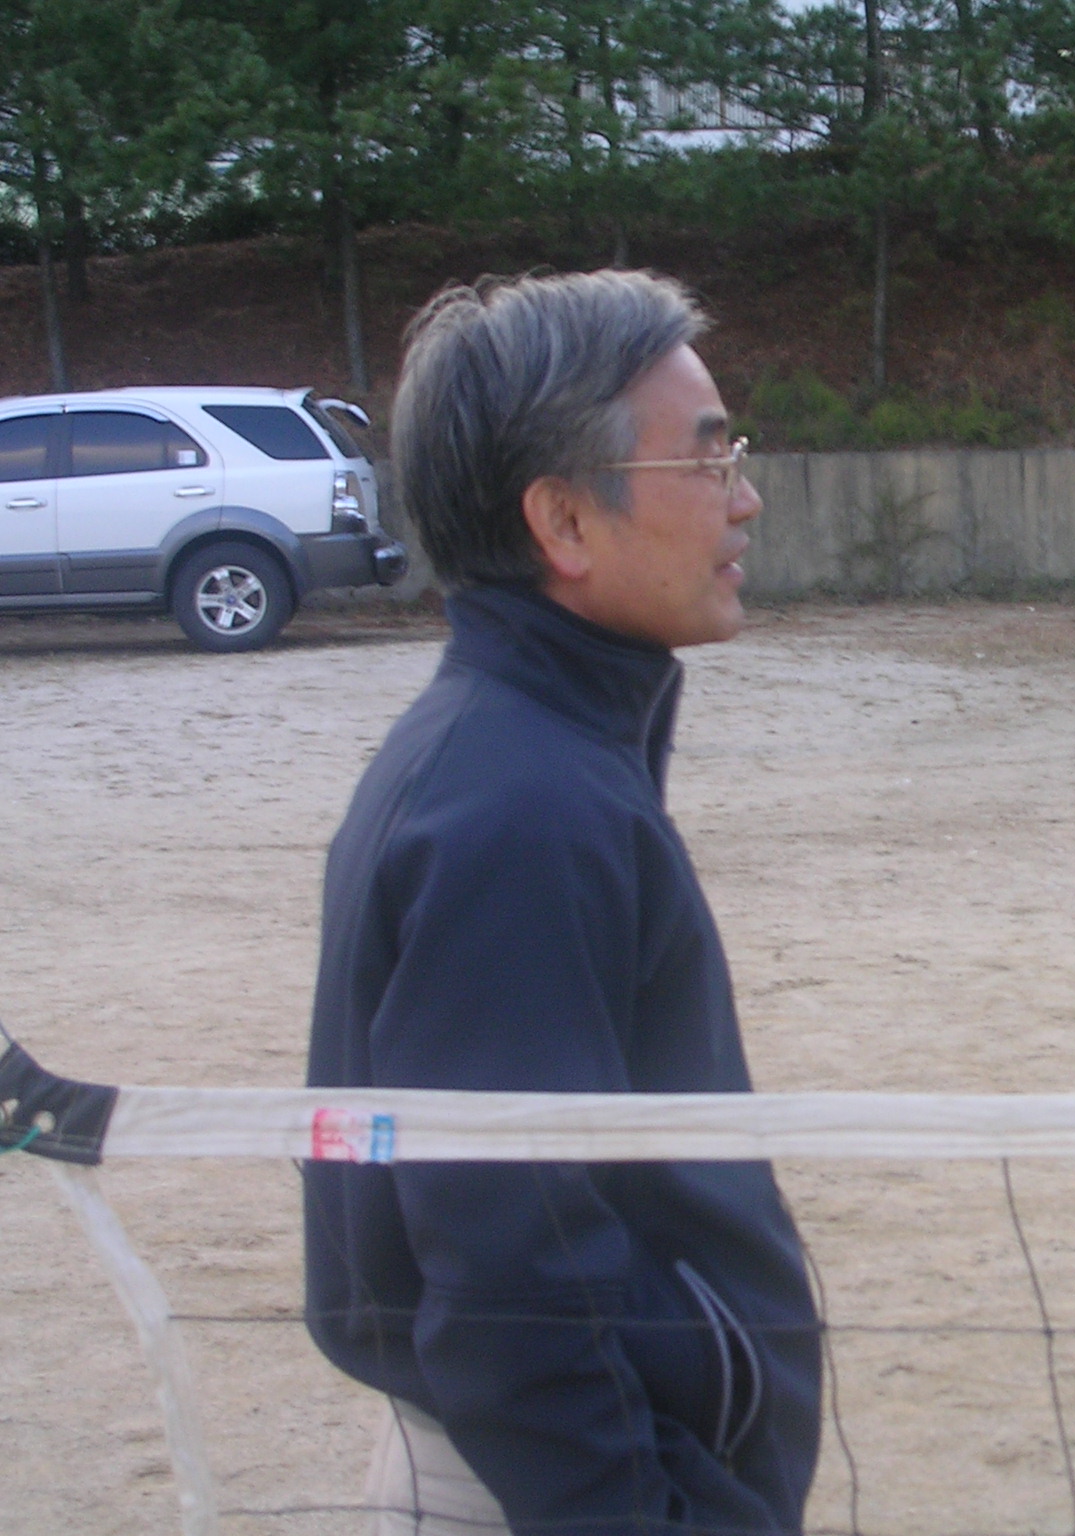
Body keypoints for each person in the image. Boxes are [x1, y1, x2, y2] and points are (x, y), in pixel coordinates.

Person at [302, 270, 820, 1536]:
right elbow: (507, 1274)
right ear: (564, 523)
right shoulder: (517, 810)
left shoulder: (526, 753)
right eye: (703, 460)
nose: (743, 497)